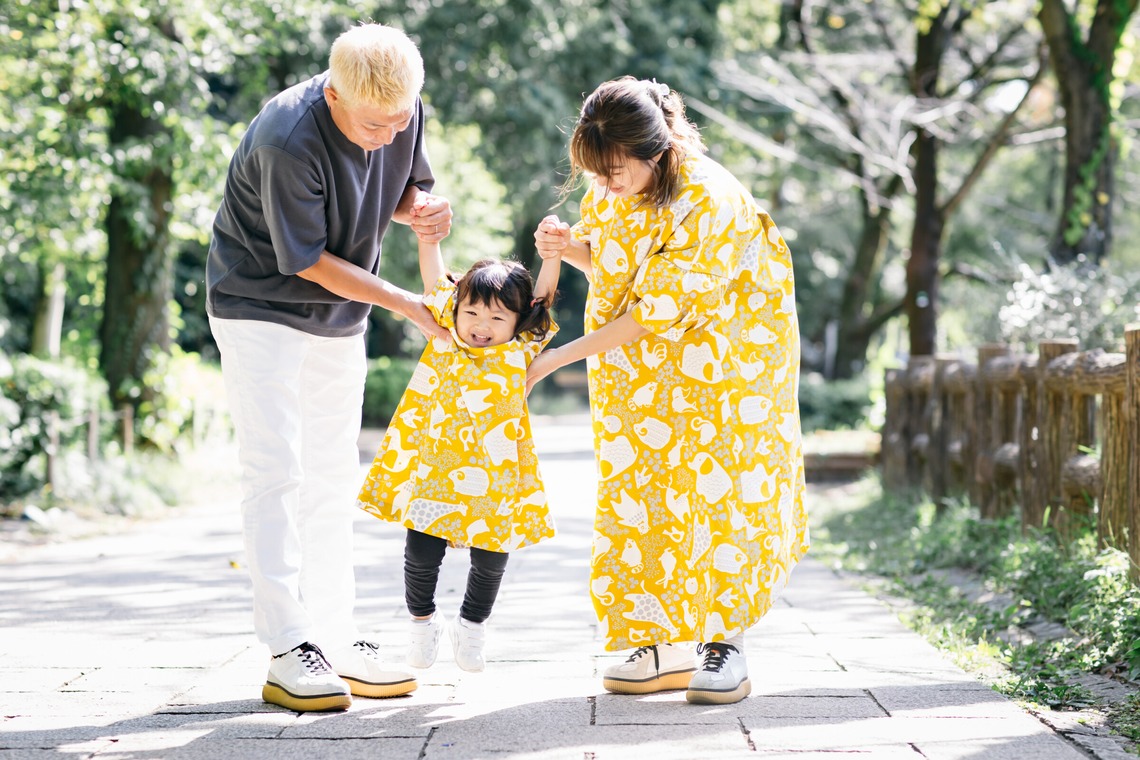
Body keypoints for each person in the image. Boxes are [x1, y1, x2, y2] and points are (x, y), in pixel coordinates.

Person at [526, 76, 809, 705]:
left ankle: (724, 640)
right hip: (640, 368)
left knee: (718, 488)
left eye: (616, 169)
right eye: (595, 171)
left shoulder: (709, 197)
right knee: (641, 486)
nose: (604, 182)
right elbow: (621, 270)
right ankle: (654, 636)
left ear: (657, 151)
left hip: (725, 367)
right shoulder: (610, 190)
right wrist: (570, 246)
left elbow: (656, 309)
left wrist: (550, 362)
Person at [205, 23, 454, 712]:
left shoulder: (398, 105)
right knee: (277, 470)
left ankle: (337, 633)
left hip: (341, 316)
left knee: (332, 473)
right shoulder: (288, 137)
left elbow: (400, 188)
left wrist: (421, 212)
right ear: (335, 93)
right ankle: (289, 645)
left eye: (401, 119)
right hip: (259, 305)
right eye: (375, 123)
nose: (390, 132)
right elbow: (309, 259)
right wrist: (405, 302)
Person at [358, 233, 560, 673]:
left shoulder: (519, 350)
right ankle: (422, 621)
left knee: (491, 557)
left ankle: (471, 625)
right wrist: (426, 238)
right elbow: (434, 281)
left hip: (496, 476)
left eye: (496, 316)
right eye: (471, 311)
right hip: (434, 471)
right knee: (420, 553)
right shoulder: (446, 334)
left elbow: (543, 299)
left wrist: (553, 256)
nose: (480, 324)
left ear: (518, 322)